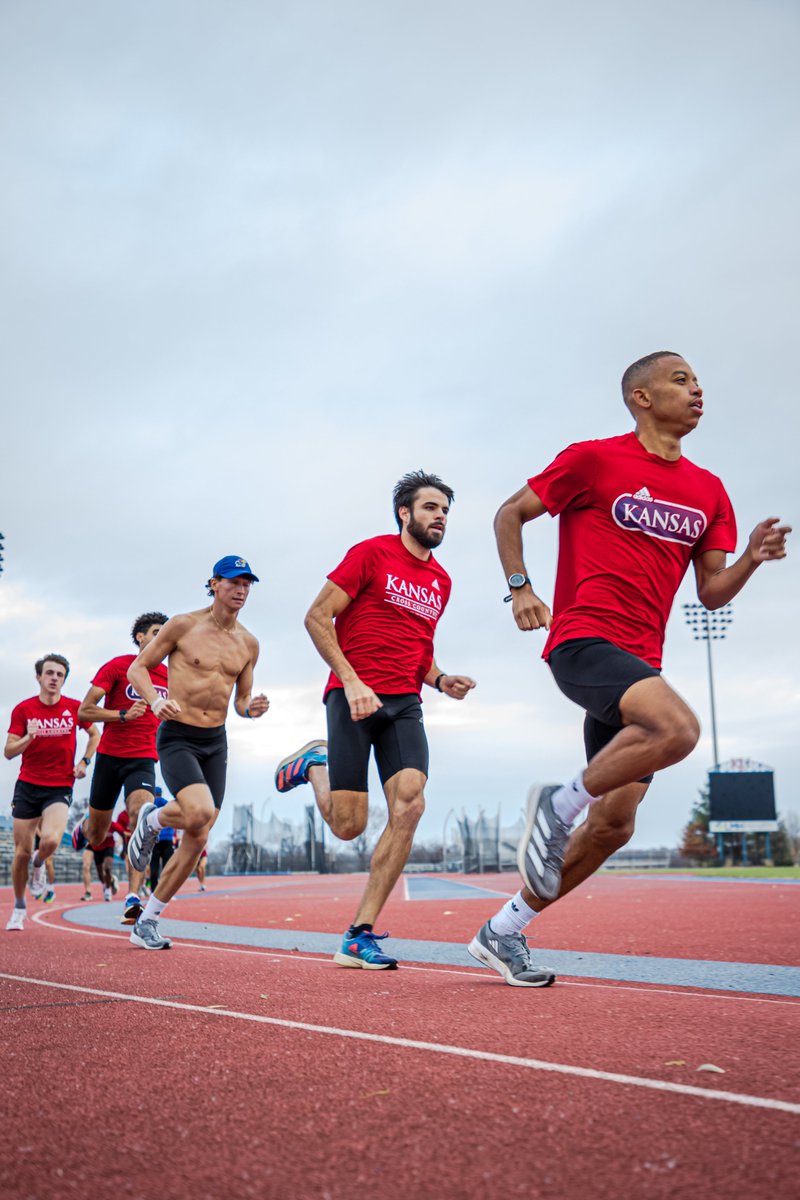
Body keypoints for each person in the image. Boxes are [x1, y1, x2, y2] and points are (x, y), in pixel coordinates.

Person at [468, 351, 791, 986]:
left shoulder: (709, 490)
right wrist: (520, 588)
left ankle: (501, 931)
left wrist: (751, 558)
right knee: (680, 729)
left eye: (698, 381)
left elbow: (712, 592)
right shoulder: (592, 460)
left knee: (614, 825)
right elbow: (510, 513)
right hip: (583, 641)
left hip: (641, 663)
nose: (697, 389)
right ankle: (556, 806)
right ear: (641, 397)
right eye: (681, 379)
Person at [275, 470, 475, 970]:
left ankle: (358, 933)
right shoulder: (371, 554)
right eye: (430, 508)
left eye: (445, 510)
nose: (440, 517)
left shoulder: (442, 581)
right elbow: (317, 617)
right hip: (353, 700)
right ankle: (315, 764)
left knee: (410, 804)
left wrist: (440, 678)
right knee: (349, 827)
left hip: (404, 703)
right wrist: (351, 681)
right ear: (405, 513)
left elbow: (418, 649)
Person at [125, 556, 269, 949]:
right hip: (178, 736)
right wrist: (156, 701)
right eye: (234, 582)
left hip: (215, 741)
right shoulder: (183, 625)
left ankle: (147, 921)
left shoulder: (249, 643)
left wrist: (251, 709)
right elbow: (138, 668)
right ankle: (152, 819)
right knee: (199, 811)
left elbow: (240, 701)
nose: (241, 590)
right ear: (214, 584)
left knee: (199, 832)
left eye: (247, 584)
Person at [73, 613, 169, 925]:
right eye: (157, 632)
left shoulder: (171, 676)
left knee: (142, 816)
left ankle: (133, 897)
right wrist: (122, 715)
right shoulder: (118, 666)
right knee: (97, 834)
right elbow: (85, 711)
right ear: (140, 636)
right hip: (110, 757)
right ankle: (85, 826)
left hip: (144, 758)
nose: (163, 638)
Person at [4, 654, 99, 931]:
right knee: (21, 852)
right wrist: (29, 737)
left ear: (64, 679)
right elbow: (8, 751)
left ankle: (39, 864)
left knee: (51, 841)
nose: (54, 678)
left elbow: (95, 735)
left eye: (60, 674)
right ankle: (19, 908)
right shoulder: (23, 710)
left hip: (59, 785)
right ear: (39, 677)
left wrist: (84, 762)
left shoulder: (74, 707)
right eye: (49, 673)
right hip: (28, 785)